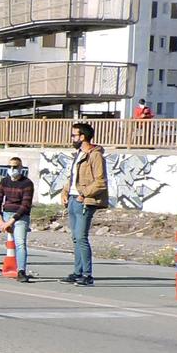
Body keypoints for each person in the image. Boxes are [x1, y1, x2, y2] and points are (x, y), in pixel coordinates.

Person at [63, 121, 107, 285]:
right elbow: (73, 178)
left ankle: (87, 275)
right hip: (73, 200)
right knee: (75, 238)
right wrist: (65, 192)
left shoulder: (95, 155)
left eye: (74, 135)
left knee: (81, 237)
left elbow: (100, 182)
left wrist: (84, 194)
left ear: (83, 137)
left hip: (85, 201)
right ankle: (77, 271)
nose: (72, 138)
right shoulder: (78, 155)